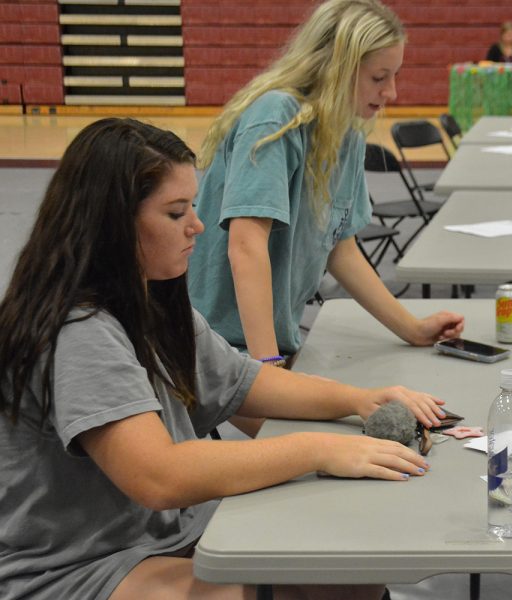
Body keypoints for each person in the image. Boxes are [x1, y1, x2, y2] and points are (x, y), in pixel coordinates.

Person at [0, 118, 446, 600]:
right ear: (112, 225)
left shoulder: (150, 302)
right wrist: (316, 449)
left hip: (160, 534)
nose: (197, 225)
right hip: (72, 566)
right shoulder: (80, 331)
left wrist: (359, 400)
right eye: (175, 214)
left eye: (192, 205)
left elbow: (246, 381)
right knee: (267, 587)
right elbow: (159, 476)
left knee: (348, 574)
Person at [188, 0, 464, 380]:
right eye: (379, 77)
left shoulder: (344, 131)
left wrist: (412, 328)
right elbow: (246, 246)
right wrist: (267, 369)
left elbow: (341, 250)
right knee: (322, 435)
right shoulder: (276, 118)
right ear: (337, 68)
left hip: (267, 343)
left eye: (394, 76)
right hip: (213, 344)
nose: (393, 93)